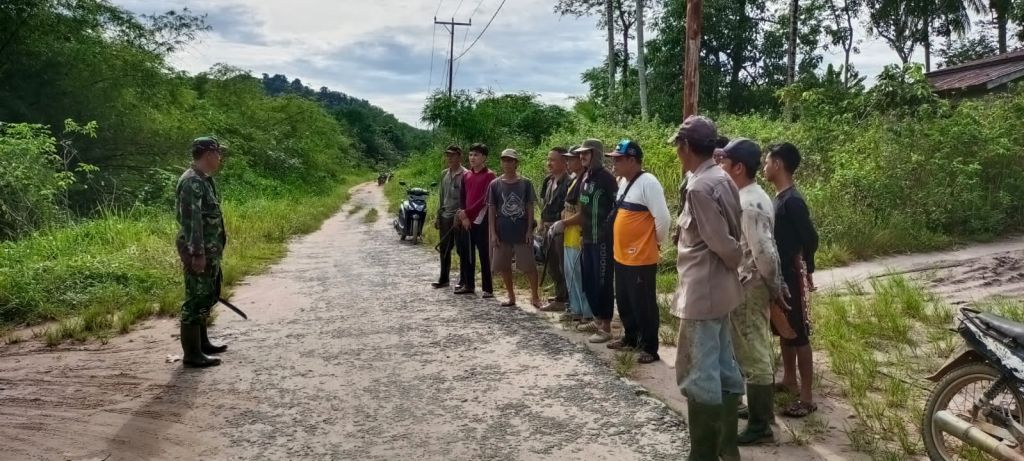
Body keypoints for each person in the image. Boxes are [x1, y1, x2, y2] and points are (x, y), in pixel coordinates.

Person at [670, 116, 745, 461]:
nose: (677, 152)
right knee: (725, 369)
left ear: (686, 147)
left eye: (678, 146)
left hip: (703, 291)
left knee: (699, 374)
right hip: (720, 291)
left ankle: (703, 455)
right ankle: (727, 451)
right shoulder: (719, 177)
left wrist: (734, 261)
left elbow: (722, 242)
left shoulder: (701, 186)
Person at [717, 138, 787, 444]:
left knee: (754, 351)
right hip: (747, 284)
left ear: (738, 167)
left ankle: (761, 424)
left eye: (724, 162)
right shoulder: (751, 195)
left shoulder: (749, 204)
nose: (720, 166)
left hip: (749, 285)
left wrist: (775, 285)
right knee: (749, 348)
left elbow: (765, 254)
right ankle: (759, 412)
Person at [764, 142, 820, 418]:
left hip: (791, 274)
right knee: (784, 329)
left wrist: (805, 266)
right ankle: (789, 380)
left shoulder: (793, 201)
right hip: (779, 273)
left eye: (767, 161)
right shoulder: (779, 198)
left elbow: (810, 238)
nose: (764, 167)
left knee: (798, 333)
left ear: (778, 164)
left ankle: (807, 397)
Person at [603, 140, 671, 364]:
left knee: (644, 303)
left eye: (618, 159)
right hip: (621, 255)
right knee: (624, 300)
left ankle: (650, 347)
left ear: (632, 160)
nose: (614, 163)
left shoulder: (648, 182)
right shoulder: (623, 182)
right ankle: (631, 337)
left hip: (640, 257)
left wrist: (652, 242)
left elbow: (663, 219)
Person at [551, 139, 618, 343]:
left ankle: (606, 327)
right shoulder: (586, 177)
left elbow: (616, 207)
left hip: (603, 239)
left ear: (596, 153)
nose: (582, 157)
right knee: (589, 281)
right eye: (580, 154)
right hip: (587, 238)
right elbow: (584, 211)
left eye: (586, 153)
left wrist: (609, 228)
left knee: (602, 282)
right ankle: (597, 320)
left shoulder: (607, 178)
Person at [175, 136, 229, 368]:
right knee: (195, 300)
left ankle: (203, 344)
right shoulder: (192, 183)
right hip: (201, 252)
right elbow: (192, 222)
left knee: (206, 294)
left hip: (210, 250)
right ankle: (192, 354)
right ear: (208, 154)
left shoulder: (203, 180)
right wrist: (197, 253)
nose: (220, 157)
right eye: (218, 153)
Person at [487, 149, 541, 308]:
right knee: (503, 266)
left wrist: (529, 230)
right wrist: (493, 233)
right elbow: (491, 209)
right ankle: (511, 296)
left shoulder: (525, 183)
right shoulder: (495, 184)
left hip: (522, 231)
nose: (507, 163)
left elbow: (530, 206)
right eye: (504, 160)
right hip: (502, 231)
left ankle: (535, 297)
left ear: (516, 163)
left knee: (529, 266)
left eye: (510, 160)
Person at [558, 146, 594, 325]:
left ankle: (586, 312)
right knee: (570, 275)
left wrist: (563, 222)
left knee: (579, 276)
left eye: (571, 159)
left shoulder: (585, 182)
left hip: (577, 234)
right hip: (568, 234)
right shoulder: (574, 180)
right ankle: (575, 309)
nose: (569, 162)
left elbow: (583, 213)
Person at [457, 143, 497, 298]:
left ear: (484, 157)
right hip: (466, 220)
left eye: (476, 155)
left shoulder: (490, 176)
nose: (472, 158)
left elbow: (484, 199)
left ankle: (488, 288)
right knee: (467, 253)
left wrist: (467, 213)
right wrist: (463, 215)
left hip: (482, 220)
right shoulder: (466, 175)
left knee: (484, 255)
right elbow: (462, 196)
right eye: (471, 154)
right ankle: (468, 284)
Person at [537, 147, 571, 312]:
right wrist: (542, 223)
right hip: (548, 228)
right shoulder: (548, 181)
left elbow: (569, 209)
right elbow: (544, 205)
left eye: (553, 160)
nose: (549, 163)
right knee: (551, 264)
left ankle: (564, 299)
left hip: (561, 229)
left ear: (565, 162)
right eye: (548, 159)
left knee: (562, 265)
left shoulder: (569, 182)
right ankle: (561, 294)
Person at [433, 145, 470, 290]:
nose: (449, 158)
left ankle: (462, 280)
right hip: (445, 216)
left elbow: (467, 198)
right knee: (444, 249)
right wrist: (438, 216)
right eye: (448, 155)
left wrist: (462, 215)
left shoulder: (466, 174)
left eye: (453, 155)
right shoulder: (444, 174)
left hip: (459, 217)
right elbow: (441, 196)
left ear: (459, 156)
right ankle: (443, 279)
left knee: (461, 250)